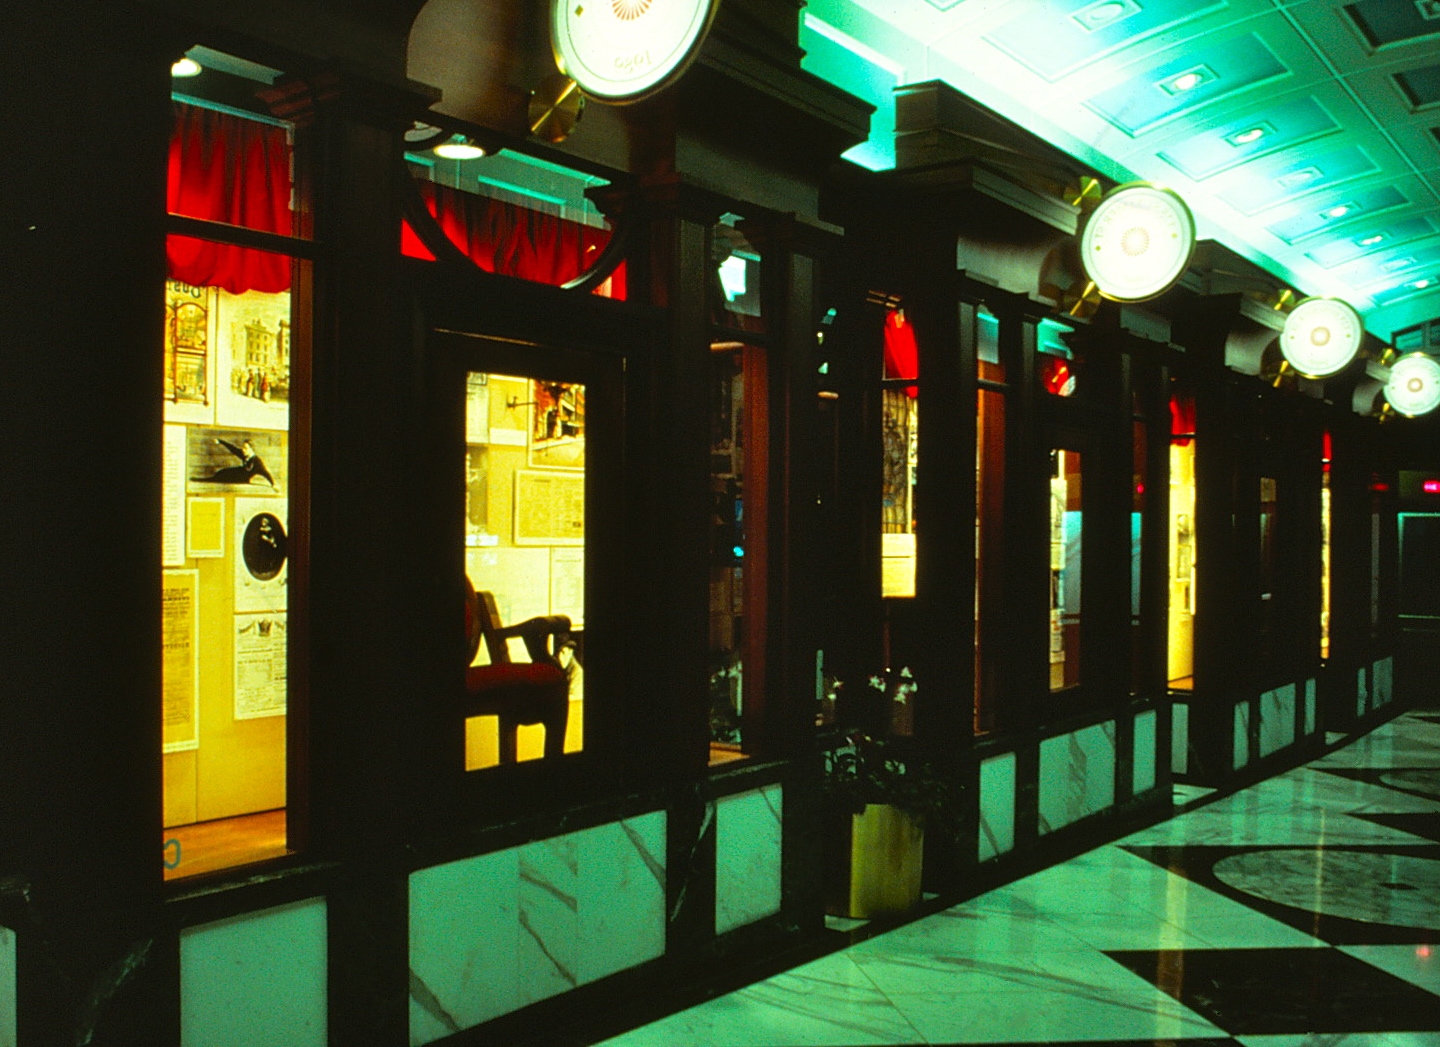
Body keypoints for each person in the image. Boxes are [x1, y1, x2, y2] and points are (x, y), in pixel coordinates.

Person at [192, 438, 276, 487]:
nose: (243, 450)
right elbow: (232, 448)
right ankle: (210, 478)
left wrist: (273, 485)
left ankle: (204, 480)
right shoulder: (244, 455)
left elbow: (266, 473)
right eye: (243, 448)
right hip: (240, 471)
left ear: (252, 450)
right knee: (221, 472)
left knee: (222, 479)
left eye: (246, 448)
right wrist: (220, 441)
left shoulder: (257, 462)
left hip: (243, 478)